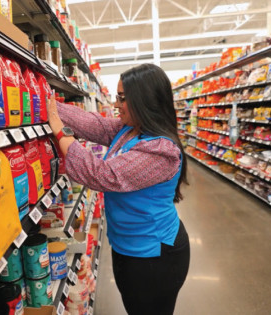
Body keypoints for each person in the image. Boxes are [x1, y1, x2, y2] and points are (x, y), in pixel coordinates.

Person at [48, 63, 190, 315]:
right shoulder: (130, 130)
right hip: (127, 246)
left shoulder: (162, 150)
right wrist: (50, 106)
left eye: (123, 98)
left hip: (155, 254)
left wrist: (62, 135)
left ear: (144, 100)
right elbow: (97, 125)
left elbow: (104, 175)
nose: (116, 104)